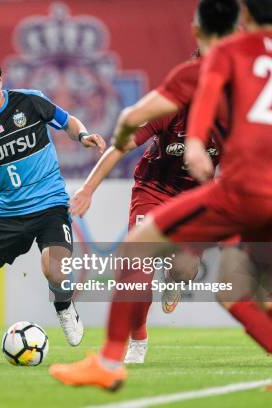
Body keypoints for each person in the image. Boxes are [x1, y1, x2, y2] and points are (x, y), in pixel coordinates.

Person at [50, 0, 272, 391]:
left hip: (245, 188)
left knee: (138, 247)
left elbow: (132, 118)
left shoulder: (222, 57)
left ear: (245, 18)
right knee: (249, 290)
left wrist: (194, 142)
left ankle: (109, 361)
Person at [68, 0, 239, 364]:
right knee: (137, 268)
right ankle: (138, 340)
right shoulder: (170, 107)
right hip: (154, 190)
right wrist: (87, 189)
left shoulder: (232, 113)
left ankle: (176, 281)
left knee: (184, 268)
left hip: (197, 198)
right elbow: (120, 146)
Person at [0, 47, 106, 364]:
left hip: (50, 205)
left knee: (53, 269)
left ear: (0, 79)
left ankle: (64, 305)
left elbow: (66, 121)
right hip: (7, 214)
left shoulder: (29, 101)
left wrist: (83, 136)